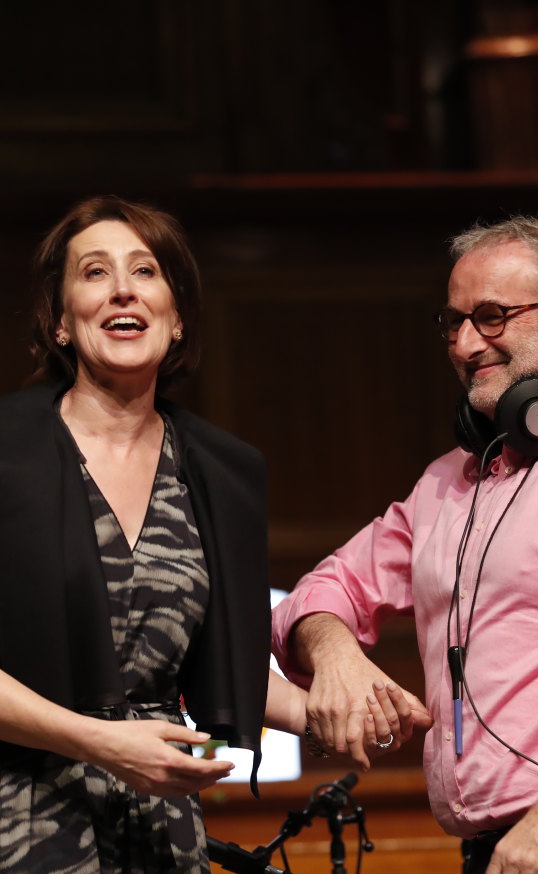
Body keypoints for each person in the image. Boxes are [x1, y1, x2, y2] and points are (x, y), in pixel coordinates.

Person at [0, 194, 315, 874]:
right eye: (94, 272)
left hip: (163, 830)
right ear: (59, 320)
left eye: (145, 271)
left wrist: (341, 713)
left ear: (177, 318)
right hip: (19, 815)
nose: (122, 289)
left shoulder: (223, 470)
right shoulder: (5, 450)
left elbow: (223, 670)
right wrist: (102, 743)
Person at [272, 213, 538, 874]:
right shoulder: (446, 483)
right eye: (453, 322)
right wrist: (337, 658)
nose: (467, 344)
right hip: (498, 847)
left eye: (494, 316)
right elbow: (325, 590)